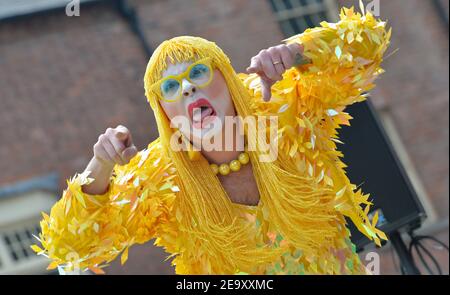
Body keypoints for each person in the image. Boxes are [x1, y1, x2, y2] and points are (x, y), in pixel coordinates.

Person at [33, 7, 390, 274]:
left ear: (226, 77)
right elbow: (68, 248)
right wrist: (100, 165)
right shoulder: (162, 177)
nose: (188, 88)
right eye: (171, 88)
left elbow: (368, 45)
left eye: (198, 72)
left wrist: (297, 51)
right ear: (166, 113)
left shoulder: (283, 111)